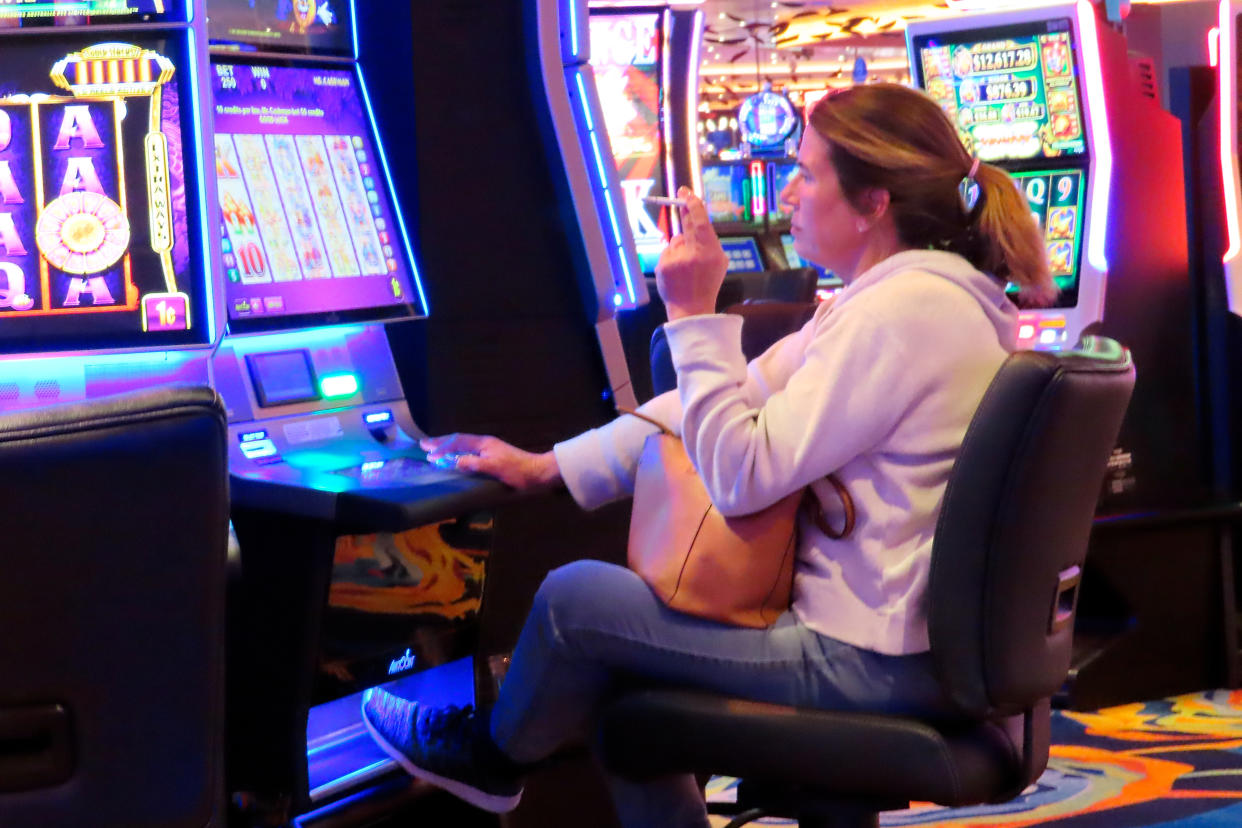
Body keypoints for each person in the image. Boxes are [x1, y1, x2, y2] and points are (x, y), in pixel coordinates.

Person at [360, 82, 1055, 827]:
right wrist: (550, 466)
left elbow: (742, 477)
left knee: (575, 603)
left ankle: (492, 761)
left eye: (808, 172)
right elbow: (722, 402)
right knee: (629, 707)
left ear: (874, 202)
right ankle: (497, 758)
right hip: (911, 648)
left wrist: (693, 314)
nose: (786, 191)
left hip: (874, 659)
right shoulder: (915, 296)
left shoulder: (903, 312)